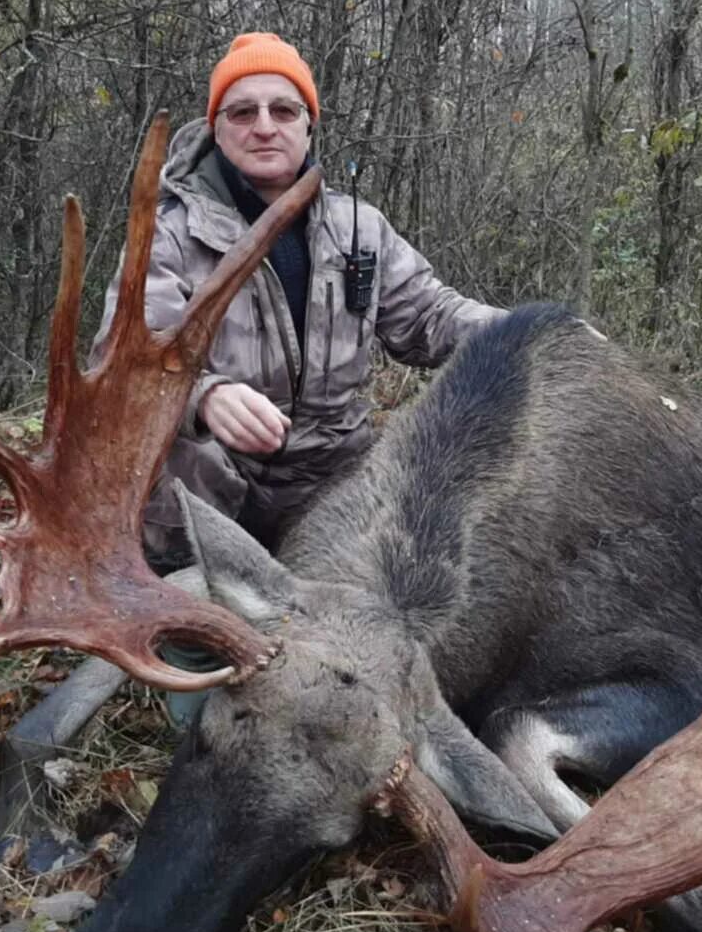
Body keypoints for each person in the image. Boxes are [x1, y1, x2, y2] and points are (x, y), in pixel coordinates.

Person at [92, 32, 506, 569]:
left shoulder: (359, 227)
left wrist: (531, 331)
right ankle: (187, 619)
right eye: (242, 112)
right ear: (216, 128)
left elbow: (430, 317)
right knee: (192, 591)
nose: (264, 126)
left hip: (340, 483)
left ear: (308, 124)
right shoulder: (169, 236)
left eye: (283, 110)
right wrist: (205, 398)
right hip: (215, 488)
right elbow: (122, 370)